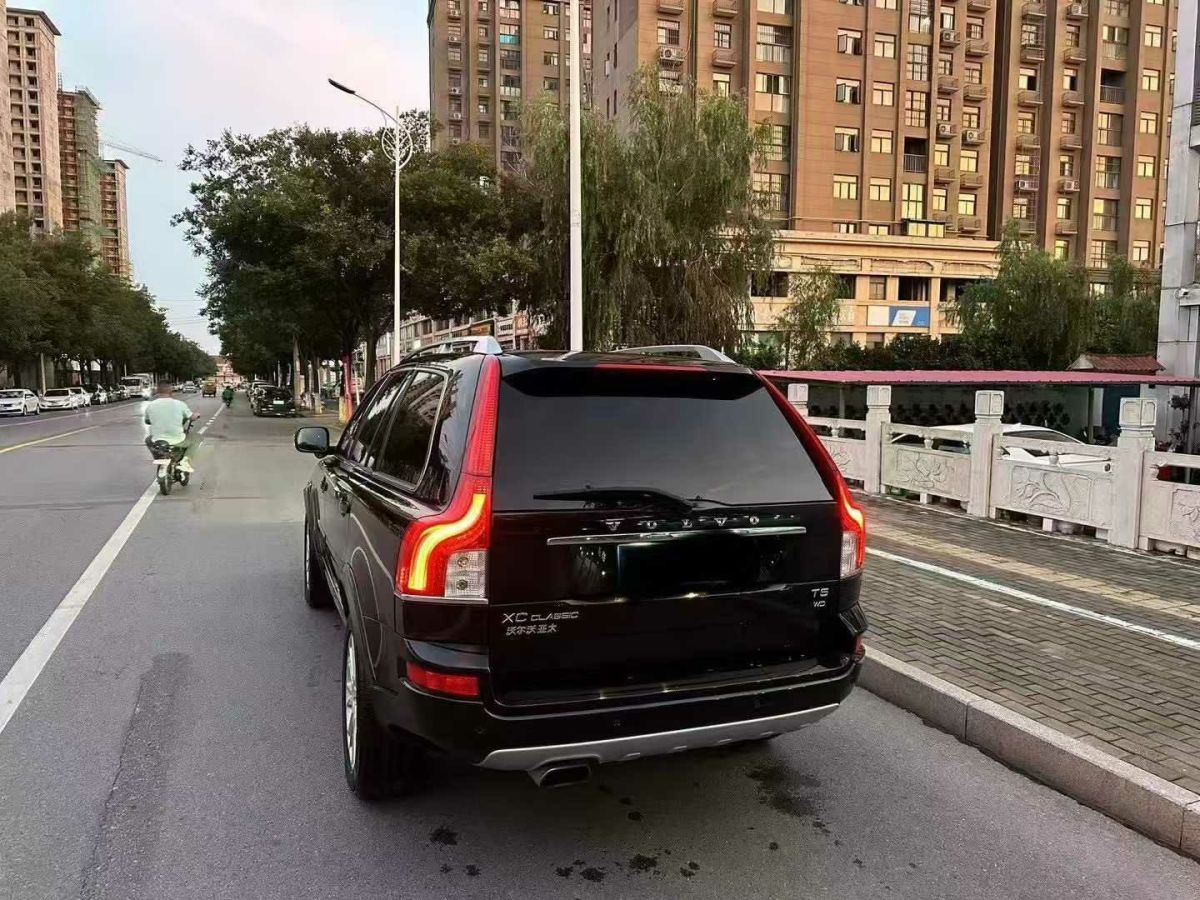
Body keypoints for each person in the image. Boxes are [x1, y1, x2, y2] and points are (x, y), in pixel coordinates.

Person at [144, 381, 197, 473]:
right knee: (196, 439)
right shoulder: (180, 404)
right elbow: (191, 417)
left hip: (157, 440)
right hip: (177, 439)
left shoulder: (150, 405)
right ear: (171, 390)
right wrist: (196, 415)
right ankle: (185, 461)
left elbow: (147, 421)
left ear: (157, 391)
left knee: (148, 440)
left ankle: (158, 457)